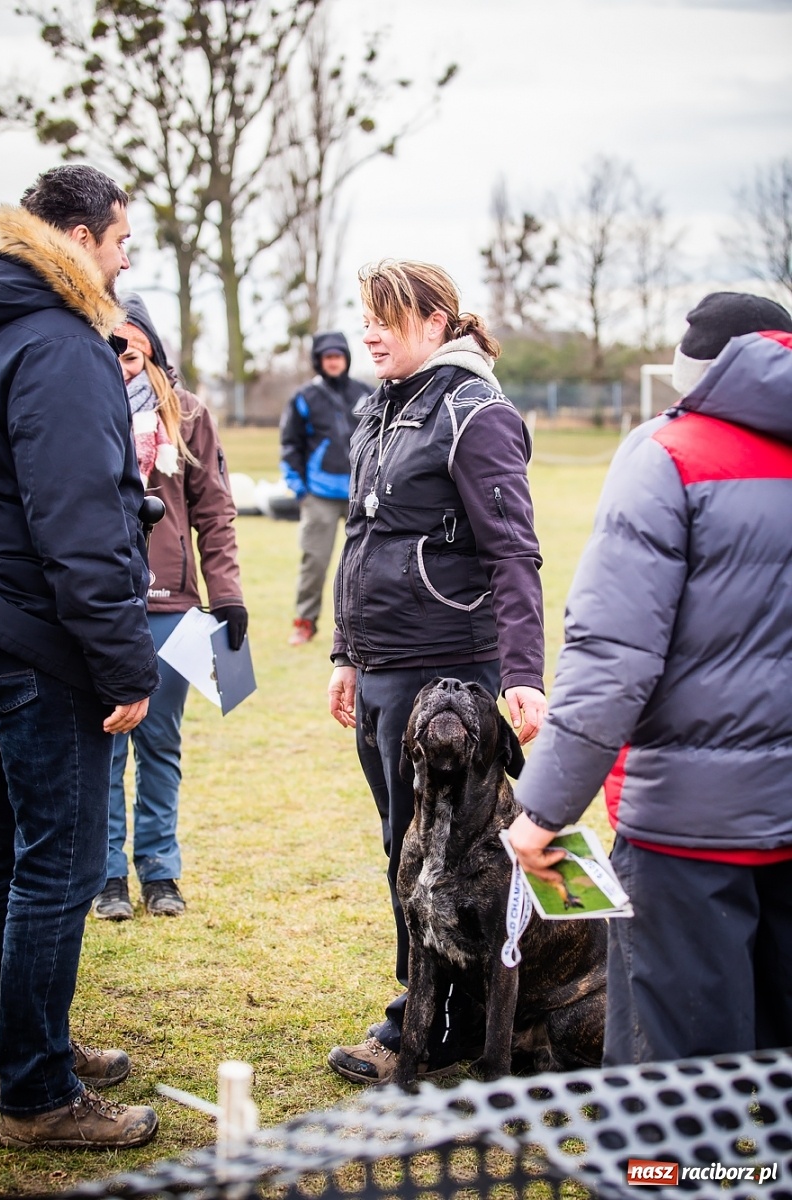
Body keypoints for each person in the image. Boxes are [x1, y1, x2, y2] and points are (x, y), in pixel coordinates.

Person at [507, 292, 792, 1065]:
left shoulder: (668, 451)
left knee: (669, 1091)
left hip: (689, 831)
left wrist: (542, 808)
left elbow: (612, 653)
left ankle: (668, 1183)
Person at [326, 259, 547, 1084]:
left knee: (452, 859)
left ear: (437, 320)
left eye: (387, 315)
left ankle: (435, 1027)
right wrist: (347, 655)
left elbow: (514, 553)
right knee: (405, 849)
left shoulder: (474, 412)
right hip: (383, 668)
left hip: (449, 672)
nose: (371, 331)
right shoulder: (379, 408)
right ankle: (431, 1014)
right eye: (366, 314)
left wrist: (522, 672)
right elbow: (361, 538)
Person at [0, 165, 160, 1148]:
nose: (126, 257)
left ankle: (25, 1042)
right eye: (120, 240)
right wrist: (123, 664)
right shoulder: (58, 342)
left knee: (9, 861)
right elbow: (78, 520)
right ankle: (39, 1095)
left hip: (0, 630)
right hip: (39, 643)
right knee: (59, 866)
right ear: (78, 236)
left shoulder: (11, 326)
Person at [93, 294, 247, 921]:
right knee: (103, 747)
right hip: (101, 602)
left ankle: (160, 873)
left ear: (153, 345)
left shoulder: (187, 416)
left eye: (132, 340)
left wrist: (228, 595)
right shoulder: (82, 404)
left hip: (172, 606)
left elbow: (214, 511)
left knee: (160, 744)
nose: (123, 351)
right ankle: (105, 878)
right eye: (112, 340)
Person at [280, 331, 371, 645]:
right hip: (319, 494)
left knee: (369, 562)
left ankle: (367, 625)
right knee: (315, 561)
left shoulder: (367, 393)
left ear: (346, 358)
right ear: (319, 361)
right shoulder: (305, 397)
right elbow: (289, 445)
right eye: (327, 357)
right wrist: (299, 490)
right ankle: (304, 622)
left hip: (361, 493)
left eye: (338, 355)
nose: (333, 361)